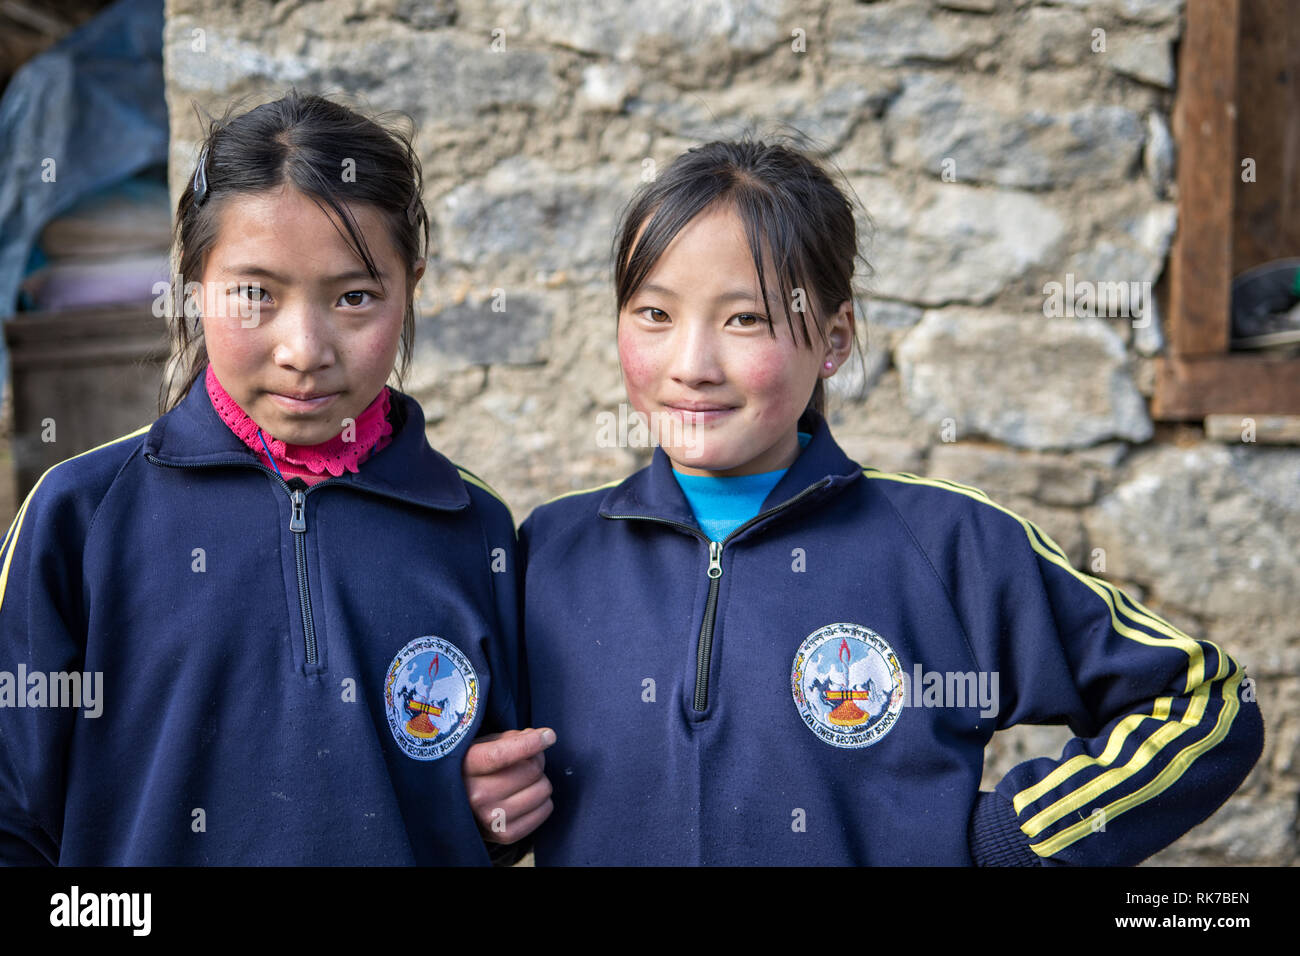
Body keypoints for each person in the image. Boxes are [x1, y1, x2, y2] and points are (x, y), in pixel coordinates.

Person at [497, 139, 1264, 865]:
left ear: (833, 340)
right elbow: (466, 773)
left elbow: (1207, 702)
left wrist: (1016, 838)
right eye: (655, 314)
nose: (691, 365)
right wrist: (485, 816)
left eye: (746, 319)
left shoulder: (950, 545)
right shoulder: (550, 551)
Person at [0, 91, 532, 864]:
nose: (304, 348)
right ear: (192, 282)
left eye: (355, 297)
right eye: (255, 294)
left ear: (410, 285)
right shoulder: (79, 516)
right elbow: (14, 816)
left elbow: (491, 800)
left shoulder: (470, 525)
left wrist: (490, 819)